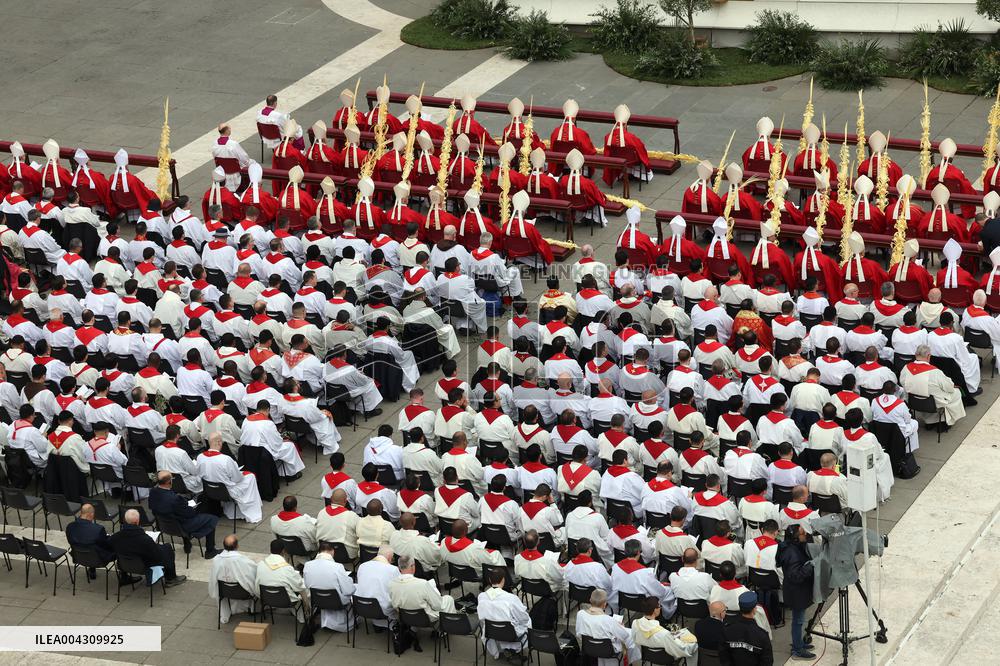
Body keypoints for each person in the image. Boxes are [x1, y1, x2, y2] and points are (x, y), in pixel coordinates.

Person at [149, 470, 221, 558]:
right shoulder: (174, 499)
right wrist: (191, 507)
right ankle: (210, 551)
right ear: (169, 482)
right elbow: (190, 514)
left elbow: (153, 508)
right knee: (212, 518)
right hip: (181, 527)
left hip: (163, 525)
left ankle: (187, 544)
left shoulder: (153, 492)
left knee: (179, 516)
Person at [109, 509, 186, 587]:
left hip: (124, 565)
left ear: (125, 520)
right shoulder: (145, 540)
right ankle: (171, 578)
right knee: (167, 548)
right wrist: (157, 546)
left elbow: (110, 547)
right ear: (138, 521)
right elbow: (156, 555)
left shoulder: (116, 537)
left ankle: (124, 576)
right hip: (143, 566)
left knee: (124, 550)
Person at [777, 525, 816, 660]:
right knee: (798, 621)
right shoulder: (792, 554)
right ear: (795, 538)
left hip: (796, 590)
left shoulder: (790, 547)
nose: (805, 534)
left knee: (799, 620)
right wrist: (811, 566)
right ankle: (797, 649)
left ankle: (798, 643)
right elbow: (796, 576)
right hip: (796, 592)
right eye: (802, 533)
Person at [477, 568, 531, 660]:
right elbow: (523, 618)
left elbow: (482, 618)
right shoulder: (511, 598)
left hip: (491, 632)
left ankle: (499, 650)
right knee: (528, 620)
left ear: (490, 580)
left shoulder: (481, 596)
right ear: (503, 580)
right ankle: (514, 648)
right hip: (510, 633)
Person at [303, 541, 356, 632]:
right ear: (332, 551)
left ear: (319, 552)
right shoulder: (337, 567)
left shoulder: (307, 565)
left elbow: (307, 585)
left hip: (317, 600)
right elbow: (348, 590)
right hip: (337, 601)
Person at [577, 588, 639, 666]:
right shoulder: (608, 620)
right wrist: (621, 627)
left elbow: (579, 633)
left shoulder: (580, 614)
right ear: (604, 604)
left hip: (588, 647)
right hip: (608, 650)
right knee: (631, 635)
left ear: (590, 600)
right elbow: (624, 635)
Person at [389, 553, 458, 624]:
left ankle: (414, 629)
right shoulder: (422, 583)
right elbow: (438, 606)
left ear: (399, 567)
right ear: (412, 566)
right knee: (448, 599)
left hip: (404, 617)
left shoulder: (391, 583)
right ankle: (448, 627)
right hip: (425, 618)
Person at [208, 534, 258, 624]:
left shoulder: (216, 560)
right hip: (243, 593)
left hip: (224, 592)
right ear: (237, 546)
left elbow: (213, 580)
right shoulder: (242, 560)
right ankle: (251, 608)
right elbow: (254, 572)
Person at [255, 539, 307, 620]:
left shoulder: (261, 564)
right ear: (283, 551)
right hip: (286, 601)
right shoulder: (287, 568)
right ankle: (304, 616)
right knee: (305, 589)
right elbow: (299, 586)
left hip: (266, 598)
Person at [719, 591, 773, 665]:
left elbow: (723, 656)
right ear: (754, 609)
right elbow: (767, 661)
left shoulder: (727, 630)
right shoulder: (762, 635)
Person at [65, 503, 117, 580]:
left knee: (89, 545)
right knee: (119, 546)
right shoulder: (98, 529)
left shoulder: (70, 527)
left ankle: (92, 570)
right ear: (91, 514)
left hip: (78, 557)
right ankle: (124, 576)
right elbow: (105, 545)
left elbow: (71, 542)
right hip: (99, 559)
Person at [354, 545, 400, 628]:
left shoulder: (362, 566)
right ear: (389, 557)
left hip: (362, 606)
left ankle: (378, 624)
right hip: (382, 610)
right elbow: (399, 590)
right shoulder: (392, 570)